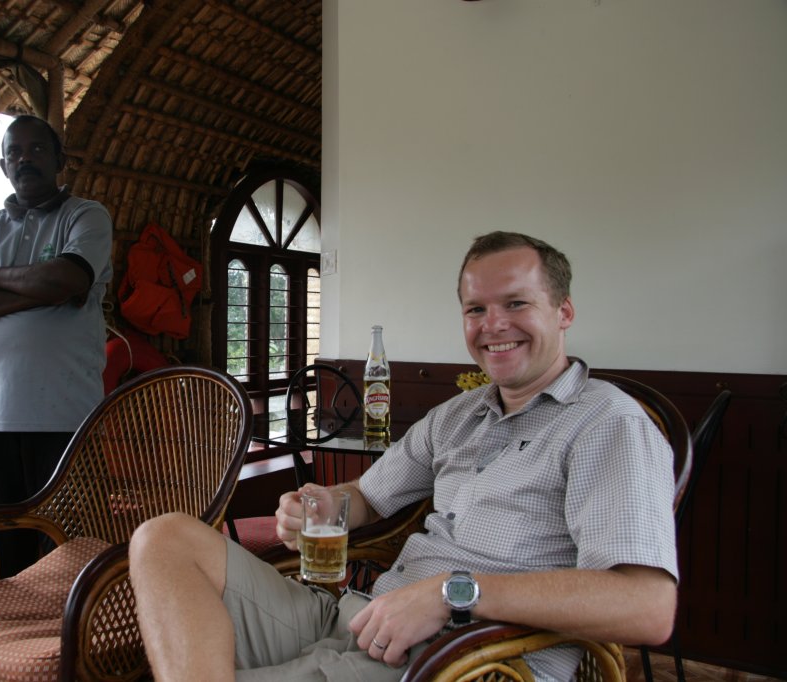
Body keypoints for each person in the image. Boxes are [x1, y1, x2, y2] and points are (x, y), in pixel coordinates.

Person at [129, 232, 679, 682]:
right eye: (476, 309)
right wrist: (323, 504)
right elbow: (366, 497)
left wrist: (452, 593)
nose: (493, 325)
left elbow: (647, 607)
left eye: (516, 303)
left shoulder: (606, 423)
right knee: (163, 538)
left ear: (563, 312)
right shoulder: (457, 415)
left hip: (460, 661)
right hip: (360, 618)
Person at [0, 114, 113, 577]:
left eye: (36, 150)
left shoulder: (85, 215)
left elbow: (67, 278)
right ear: (3, 166)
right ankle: (8, 626)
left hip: (66, 416)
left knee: (68, 554)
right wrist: (40, 291)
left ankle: (67, 627)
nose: (24, 159)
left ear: (59, 161)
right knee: (0, 553)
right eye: (14, 152)